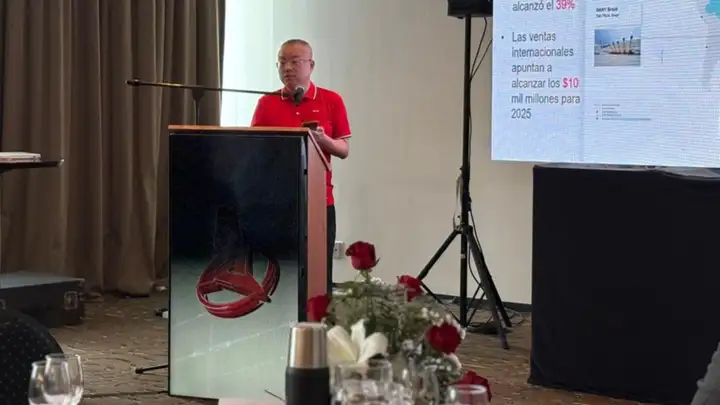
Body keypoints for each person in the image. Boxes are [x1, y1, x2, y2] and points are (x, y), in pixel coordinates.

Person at [251, 39, 351, 294]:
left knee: (318, 272)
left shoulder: (331, 100)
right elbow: (254, 149)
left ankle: (318, 315)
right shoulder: (266, 102)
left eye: (295, 62)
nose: (287, 68)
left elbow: (343, 149)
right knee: (279, 271)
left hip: (318, 200)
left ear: (311, 65)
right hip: (276, 201)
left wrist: (322, 140)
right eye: (282, 62)